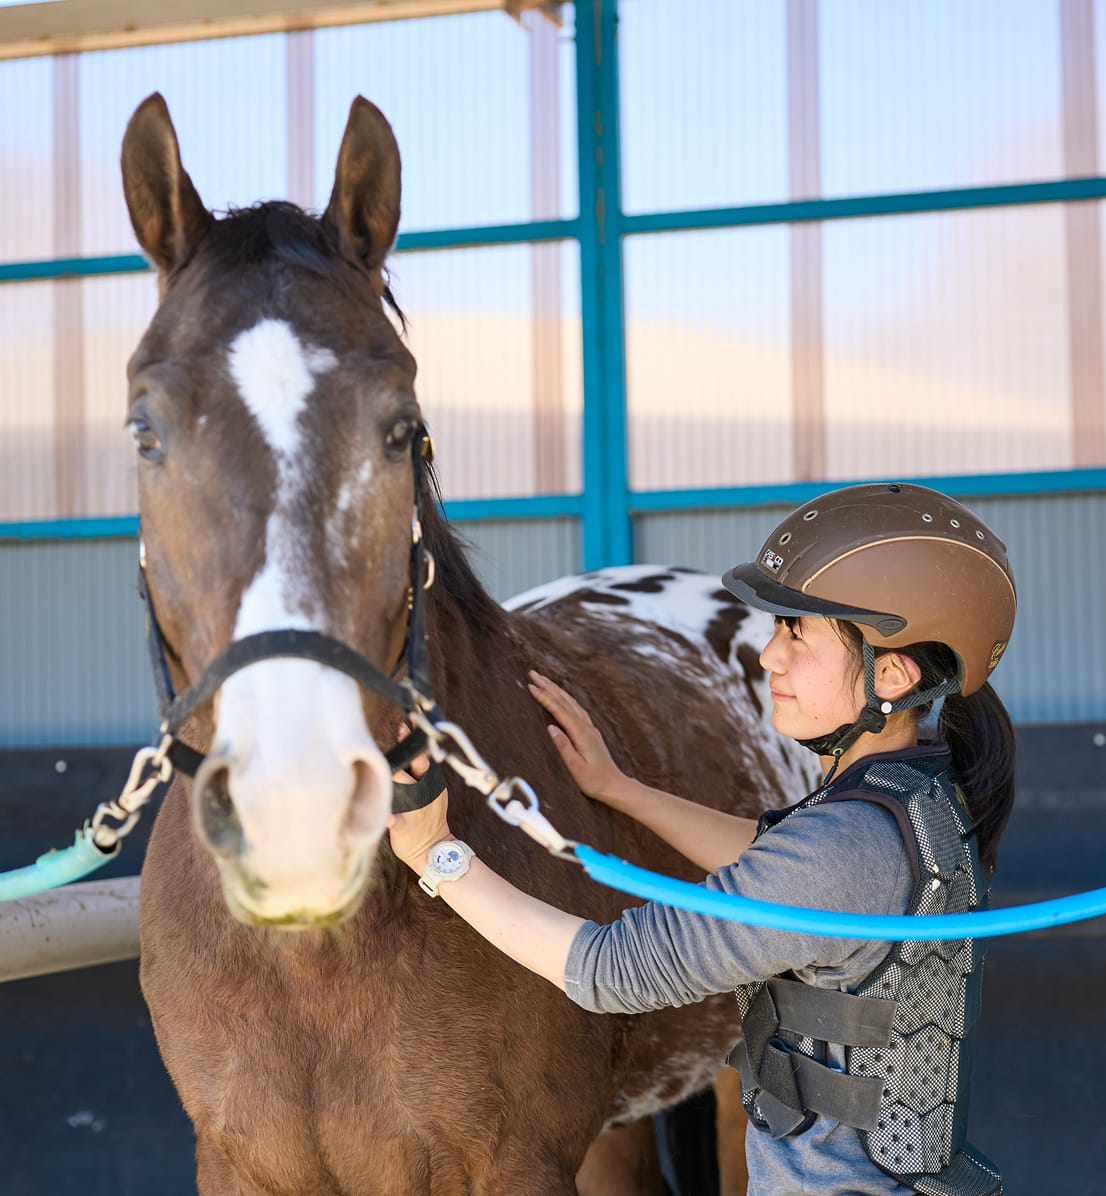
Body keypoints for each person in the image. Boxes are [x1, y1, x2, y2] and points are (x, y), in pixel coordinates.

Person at [388, 482, 1016, 1196]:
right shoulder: (918, 802)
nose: (768, 658)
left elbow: (611, 971)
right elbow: (770, 853)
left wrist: (437, 856)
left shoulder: (839, 851)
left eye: (797, 635)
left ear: (893, 675)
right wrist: (621, 790)